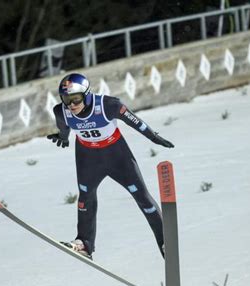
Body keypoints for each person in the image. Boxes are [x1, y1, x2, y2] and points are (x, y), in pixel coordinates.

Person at [47, 73, 174, 260]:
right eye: (66, 100)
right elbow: (63, 127)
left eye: (75, 99)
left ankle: (165, 241)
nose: (71, 105)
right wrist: (63, 138)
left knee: (142, 197)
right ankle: (84, 243)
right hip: (87, 157)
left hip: (116, 155)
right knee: (85, 197)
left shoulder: (108, 105)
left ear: (88, 95)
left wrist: (154, 137)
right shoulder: (61, 111)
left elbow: (136, 122)